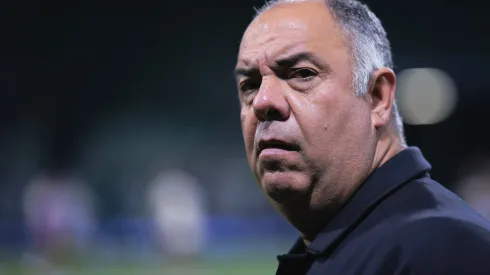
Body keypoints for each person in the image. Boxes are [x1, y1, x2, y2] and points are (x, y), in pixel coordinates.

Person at [234, 0, 490, 274]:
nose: (262, 102)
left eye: (302, 74)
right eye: (250, 85)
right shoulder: (364, 243)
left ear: (377, 97)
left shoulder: (439, 250)